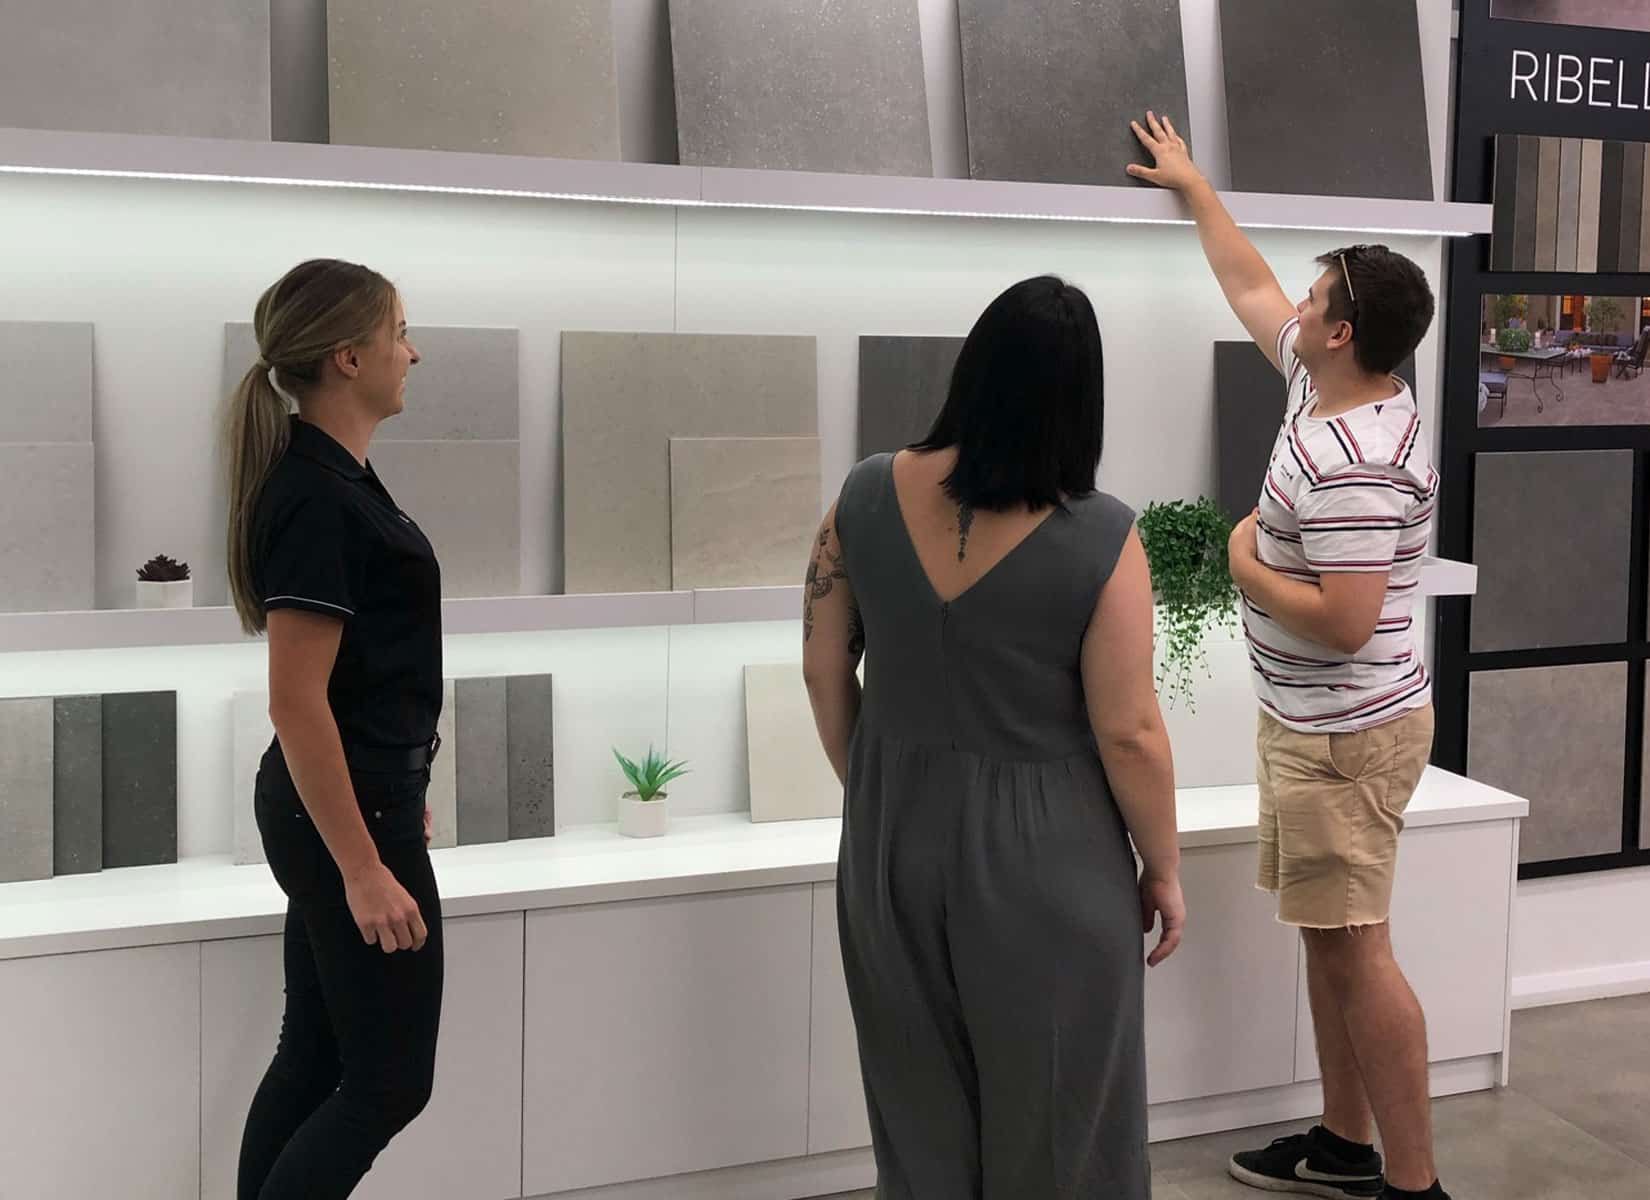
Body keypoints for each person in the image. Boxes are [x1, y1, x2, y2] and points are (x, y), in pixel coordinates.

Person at [802, 276, 1184, 1198]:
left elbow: (822, 670)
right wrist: (1164, 868)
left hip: (889, 840)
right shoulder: (1103, 536)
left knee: (917, 1114)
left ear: (971, 369)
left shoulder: (862, 495)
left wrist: (879, 788)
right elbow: (1130, 731)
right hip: (1048, 856)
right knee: (1060, 1126)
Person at [1130, 114, 1445, 1200]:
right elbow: (1249, 283)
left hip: (1346, 737)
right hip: (1315, 727)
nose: (1295, 309)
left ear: (1344, 333)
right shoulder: (1326, 386)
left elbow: (1346, 620)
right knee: (1331, 939)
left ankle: (1414, 1185)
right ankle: (1346, 1146)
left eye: (1316, 303)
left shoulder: (1358, 461)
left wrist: (1240, 561)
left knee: (1357, 947)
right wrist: (1193, 186)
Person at [224, 258, 443, 1200]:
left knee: (314, 1058)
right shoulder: (318, 496)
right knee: (389, 1082)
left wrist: (406, 782)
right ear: (349, 358)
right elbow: (297, 701)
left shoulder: (338, 480)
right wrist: (362, 865)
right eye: (400, 334)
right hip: (349, 818)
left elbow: (361, 681)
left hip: (358, 801)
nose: (413, 354)